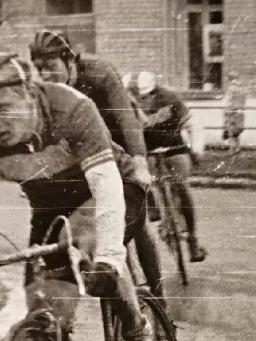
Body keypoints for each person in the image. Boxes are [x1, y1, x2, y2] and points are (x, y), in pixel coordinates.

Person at [0, 48, 156, 341]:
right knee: (43, 322)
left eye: (2, 108)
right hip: (50, 209)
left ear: (29, 93)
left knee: (89, 241)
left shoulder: (70, 107)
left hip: (114, 188)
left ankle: (139, 336)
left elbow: (106, 189)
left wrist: (110, 259)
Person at [27, 30, 166, 299]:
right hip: (87, 148)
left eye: (51, 67)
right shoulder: (47, 94)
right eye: (38, 69)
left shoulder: (99, 74)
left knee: (139, 224)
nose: (44, 75)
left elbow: (127, 119)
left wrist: (139, 162)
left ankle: (159, 297)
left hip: (118, 139)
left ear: (70, 61)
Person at [125, 71, 208, 263]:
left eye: (145, 96)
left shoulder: (170, 97)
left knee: (181, 183)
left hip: (174, 146)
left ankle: (193, 240)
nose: (141, 100)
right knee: (142, 174)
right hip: (147, 151)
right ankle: (153, 204)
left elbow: (192, 124)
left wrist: (197, 148)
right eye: (136, 96)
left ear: (155, 91)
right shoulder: (124, 104)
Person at [223, 71, 246, 153]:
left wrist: (226, 111)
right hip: (241, 111)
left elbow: (228, 101)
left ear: (230, 79)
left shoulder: (231, 88)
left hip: (232, 111)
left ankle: (231, 149)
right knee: (237, 130)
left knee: (231, 131)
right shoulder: (242, 88)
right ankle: (238, 147)